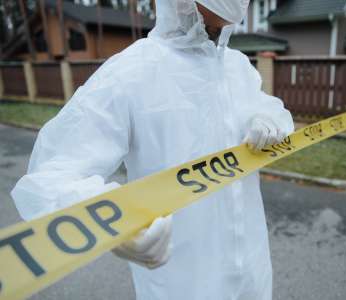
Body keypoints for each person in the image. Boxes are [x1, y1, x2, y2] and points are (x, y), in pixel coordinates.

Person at [11, 0, 294, 299]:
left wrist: (269, 118)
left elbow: (266, 107)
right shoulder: (132, 72)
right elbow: (52, 174)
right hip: (181, 283)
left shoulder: (237, 67)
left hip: (253, 274)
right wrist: (112, 217)